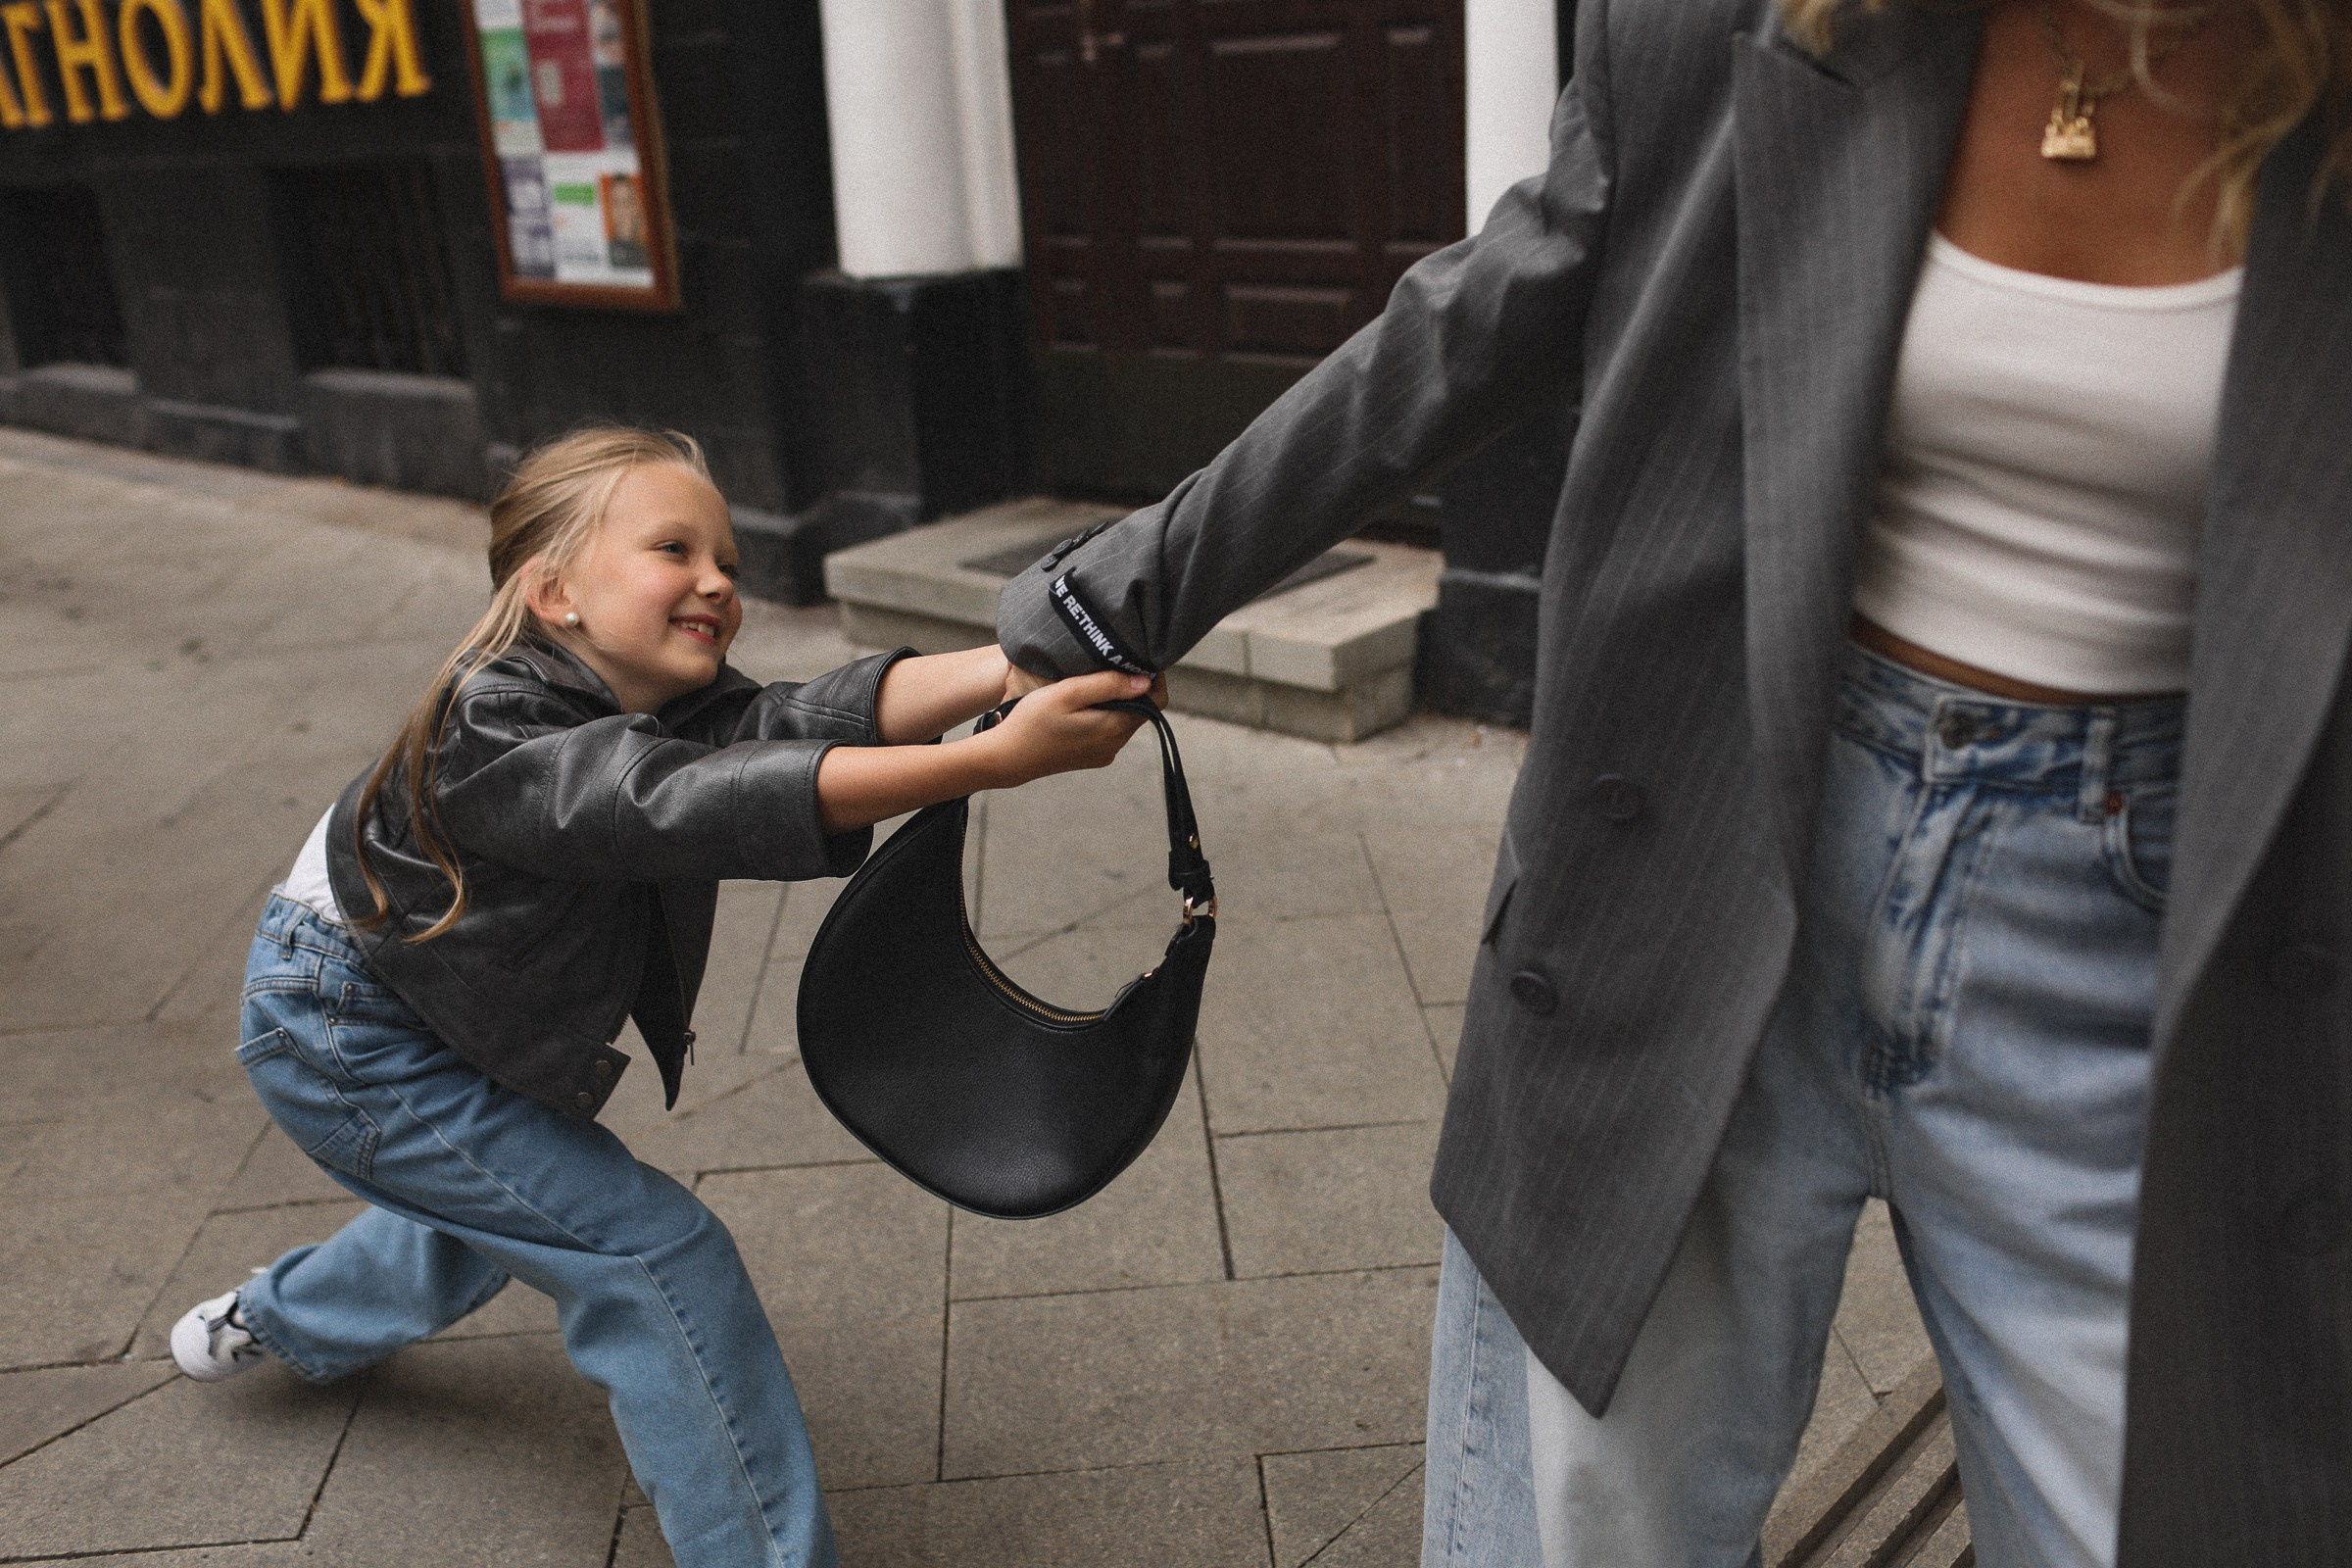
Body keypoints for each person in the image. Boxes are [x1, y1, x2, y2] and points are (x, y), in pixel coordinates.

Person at [995, 1, 2352, 1563]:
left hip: (2162, 950)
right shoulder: (1746, 23)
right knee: (1576, 1532)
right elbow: (1472, 320)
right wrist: (1119, 594)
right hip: (1707, 846)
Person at [168, 426, 1159, 1568]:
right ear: (554, 592)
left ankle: (280, 1316)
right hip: (340, 1029)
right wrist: (990, 760)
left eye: (728, 558)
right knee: (651, 1256)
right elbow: (677, 802)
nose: (718, 579)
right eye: (675, 548)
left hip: (443, 1001)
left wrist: (1014, 668)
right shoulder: (488, 720)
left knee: (510, 1211)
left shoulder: (652, 692)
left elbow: (797, 721)